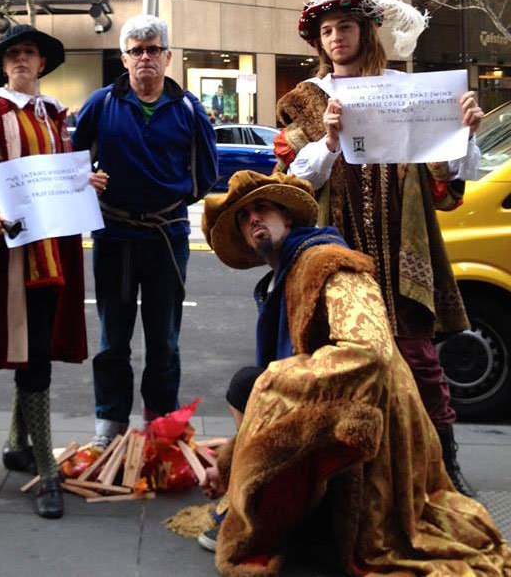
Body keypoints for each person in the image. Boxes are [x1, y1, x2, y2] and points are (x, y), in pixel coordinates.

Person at [196, 169, 511, 576]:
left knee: (257, 383)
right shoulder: (282, 277)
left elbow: (370, 352)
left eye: (263, 209)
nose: (254, 219)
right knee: (250, 383)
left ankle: (290, 514)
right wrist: (228, 464)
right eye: (244, 216)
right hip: (338, 404)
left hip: (372, 422)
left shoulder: (328, 263)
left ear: (287, 218)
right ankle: (268, 504)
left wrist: (279, 385)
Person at [272, 0, 483, 496]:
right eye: (326, 31)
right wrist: (331, 139)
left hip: (401, 244)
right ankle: (342, 485)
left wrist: (464, 133)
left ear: (366, 32)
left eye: (345, 26)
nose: (335, 37)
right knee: (336, 365)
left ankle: (443, 471)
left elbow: (444, 179)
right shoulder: (305, 101)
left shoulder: (408, 91)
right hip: (335, 250)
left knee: (421, 363)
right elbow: (292, 184)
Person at [0, 24, 105, 519]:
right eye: (12, 53)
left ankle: (18, 443)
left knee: (37, 348)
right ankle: (46, 471)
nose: (20, 59)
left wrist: (86, 182)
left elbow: (58, 179)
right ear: (4, 64)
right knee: (33, 354)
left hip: (53, 248)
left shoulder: (55, 115)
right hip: (8, 252)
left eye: (28, 53)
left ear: (41, 64)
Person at [73, 14, 218, 447]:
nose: (145, 58)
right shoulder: (101, 103)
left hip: (167, 237)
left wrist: (169, 201)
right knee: (112, 339)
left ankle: (161, 427)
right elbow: (72, 165)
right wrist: (86, 180)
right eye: (136, 51)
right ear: (124, 58)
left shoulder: (190, 108)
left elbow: (205, 174)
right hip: (114, 235)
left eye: (153, 49)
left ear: (168, 56)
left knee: (164, 341)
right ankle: (109, 427)